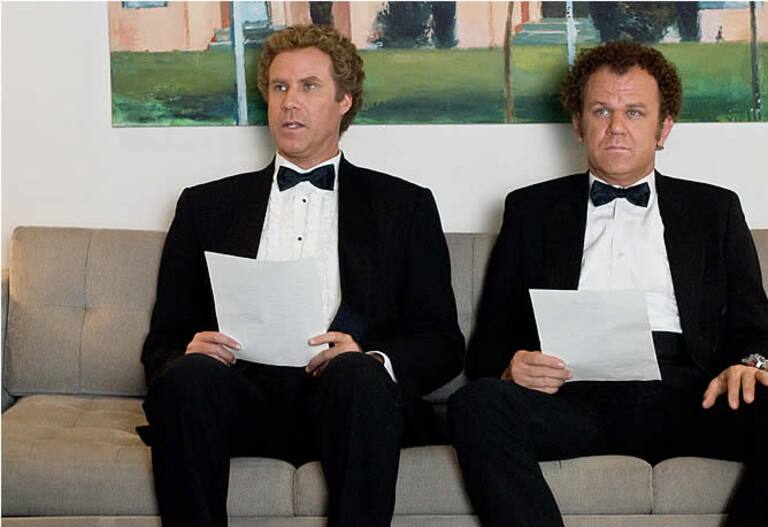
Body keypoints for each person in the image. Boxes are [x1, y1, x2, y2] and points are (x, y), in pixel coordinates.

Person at [140, 24, 464, 527]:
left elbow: (442, 341)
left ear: (344, 101)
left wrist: (371, 359)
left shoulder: (404, 206)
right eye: (279, 87)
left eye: (309, 86)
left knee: (360, 375)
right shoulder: (205, 206)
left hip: (348, 403)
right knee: (188, 376)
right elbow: (161, 341)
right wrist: (187, 351)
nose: (290, 102)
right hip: (237, 397)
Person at [449, 40, 768, 527]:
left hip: (689, 394)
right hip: (571, 398)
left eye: (635, 112)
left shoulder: (715, 209)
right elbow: (487, 347)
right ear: (579, 123)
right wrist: (511, 367)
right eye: (601, 110)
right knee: (475, 403)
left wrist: (750, 364)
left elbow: (757, 329)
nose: (617, 126)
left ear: (664, 128)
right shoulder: (530, 210)